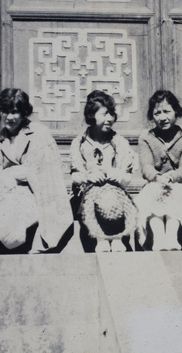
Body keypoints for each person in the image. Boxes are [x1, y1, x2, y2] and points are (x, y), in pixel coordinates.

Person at [0, 88, 72, 254]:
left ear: (24, 113)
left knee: (11, 208)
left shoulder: (39, 134)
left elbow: (40, 170)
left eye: (15, 112)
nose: (9, 117)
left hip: (32, 193)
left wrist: (10, 174)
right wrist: (1, 182)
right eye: (5, 111)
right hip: (2, 192)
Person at [70, 90, 139, 253]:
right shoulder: (80, 142)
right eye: (104, 114)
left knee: (111, 194)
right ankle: (100, 238)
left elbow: (127, 176)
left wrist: (119, 175)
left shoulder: (119, 142)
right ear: (92, 115)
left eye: (112, 114)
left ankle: (117, 238)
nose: (109, 119)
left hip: (114, 197)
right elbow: (75, 174)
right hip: (88, 196)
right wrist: (87, 177)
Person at [134, 90, 182, 251]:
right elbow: (146, 167)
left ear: (176, 112)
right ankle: (158, 236)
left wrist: (171, 177)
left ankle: (171, 236)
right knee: (152, 195)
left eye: (167, 111)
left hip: (178, 184)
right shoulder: (146, 138)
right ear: (152, 115)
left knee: (177, 196)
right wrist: (157, 177)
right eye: (157, 113)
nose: (162, 117)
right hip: (154, 183)